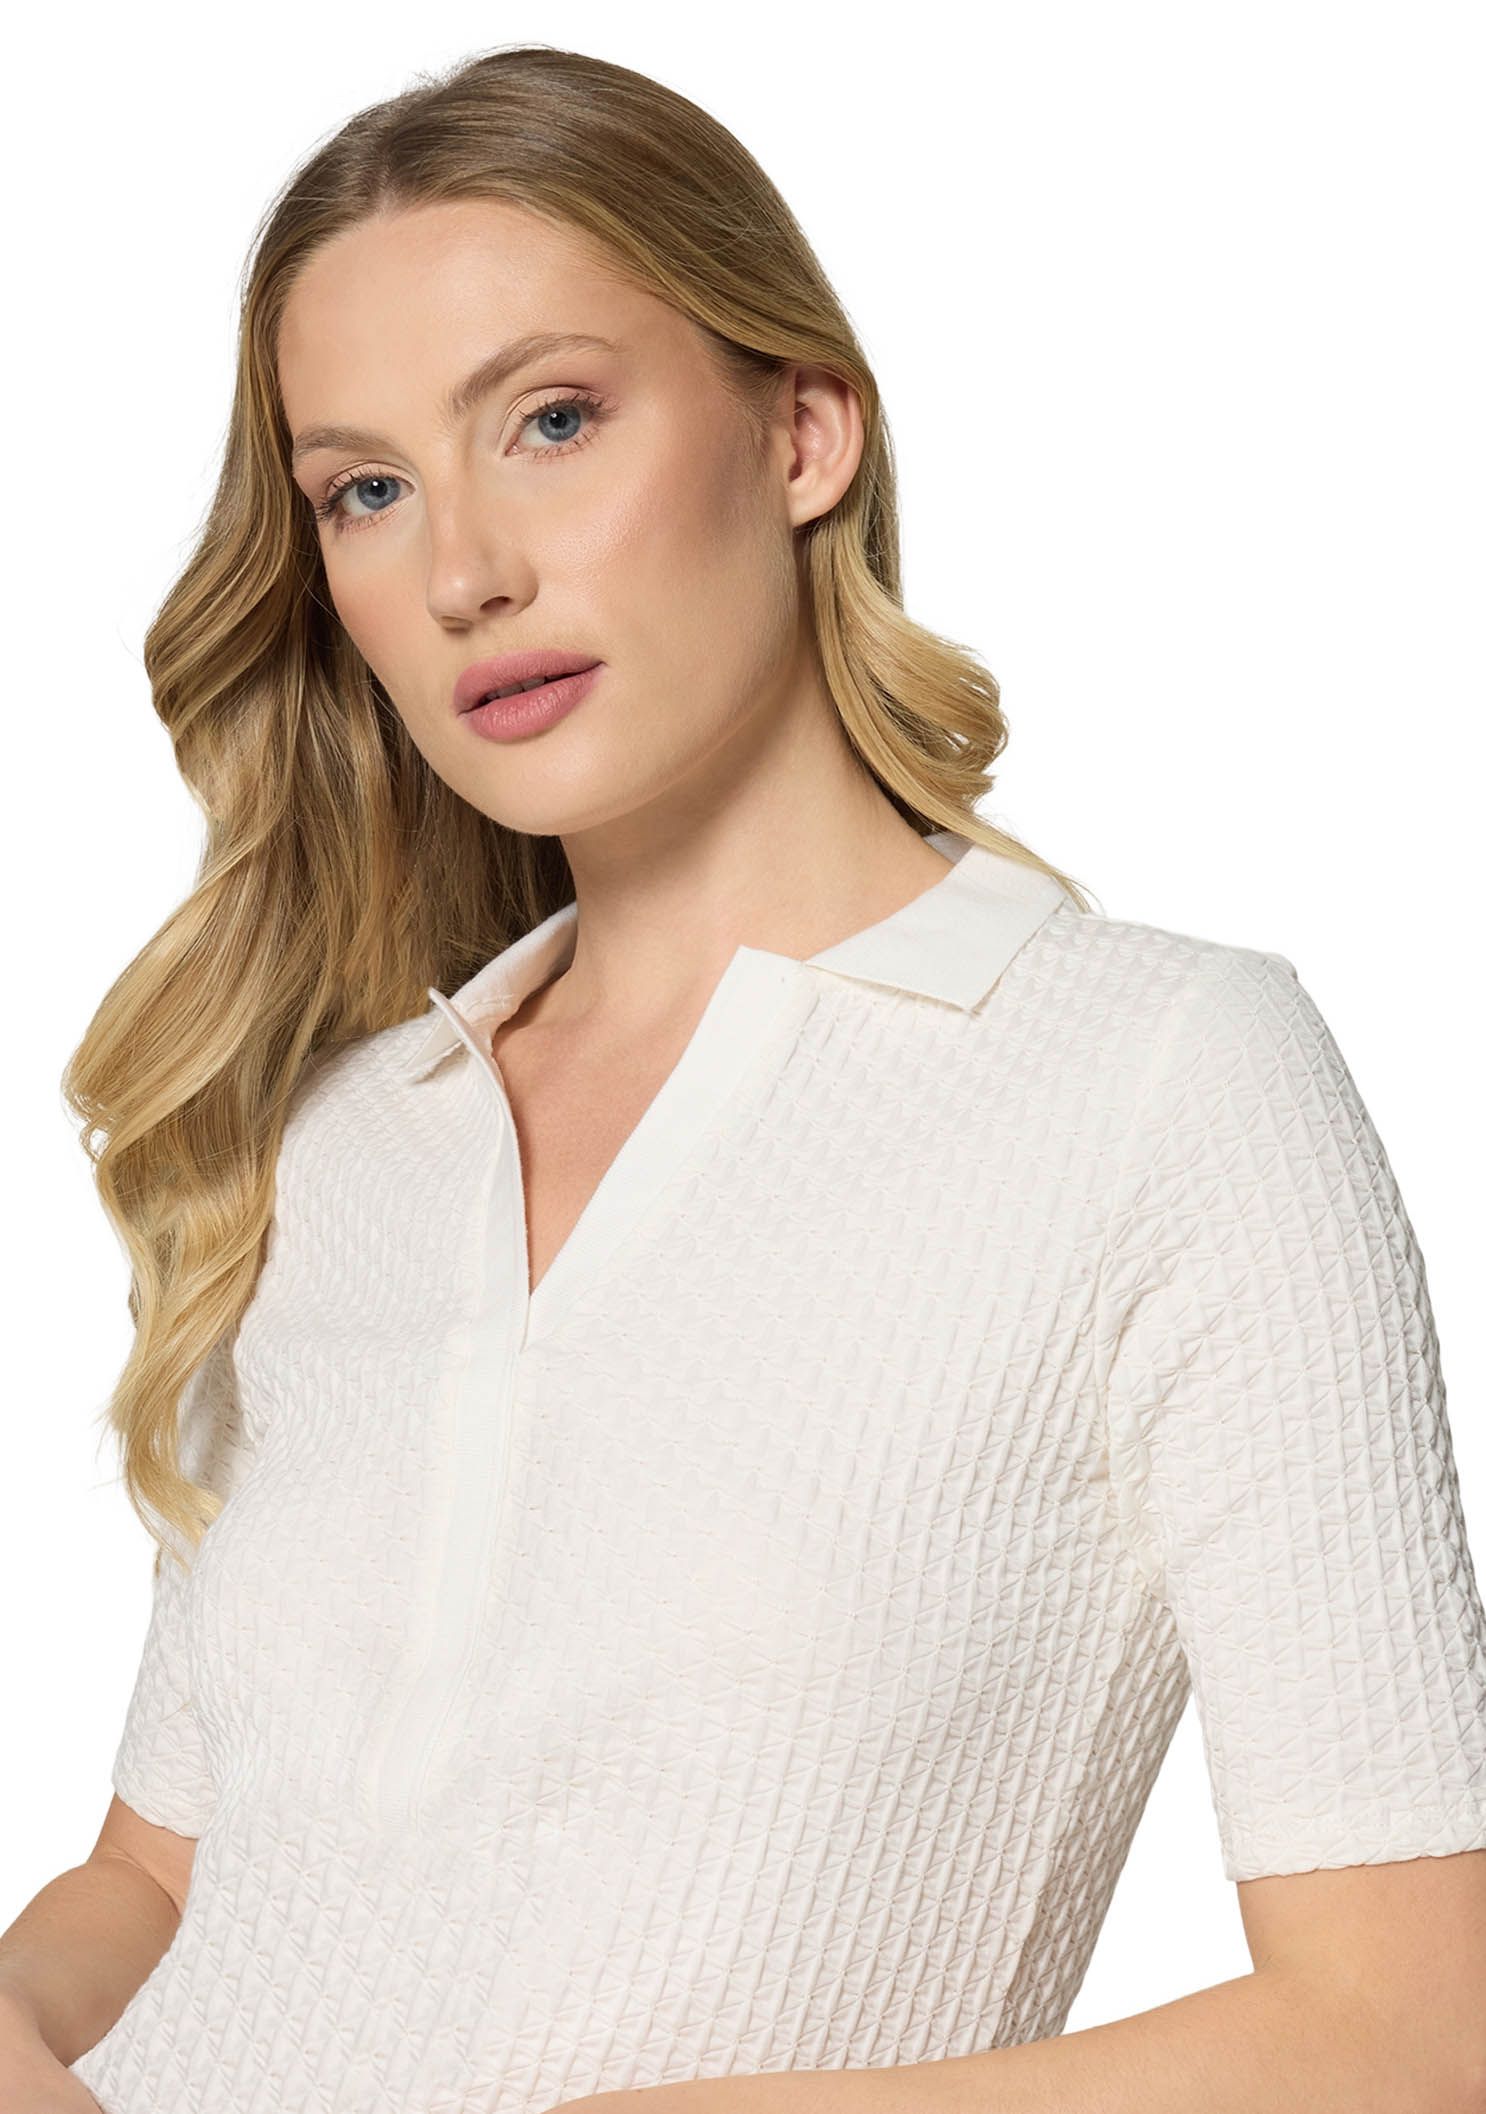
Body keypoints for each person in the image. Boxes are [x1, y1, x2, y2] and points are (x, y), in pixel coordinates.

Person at [4, 41, 1485, 2114]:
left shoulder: (1158, 1083)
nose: (462, 573)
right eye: (365, 489)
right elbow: (160, 1877)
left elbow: (1410, 2030)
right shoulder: (352, 1137)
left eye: (550, 419)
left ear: (801, 432)